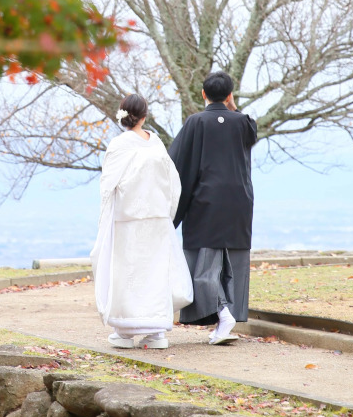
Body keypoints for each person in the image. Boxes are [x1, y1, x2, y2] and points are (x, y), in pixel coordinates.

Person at [91, 92, 193, 350]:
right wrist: (167, 213)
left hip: (128, 219)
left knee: (127, 272)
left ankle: (125, 331)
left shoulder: (119, 145)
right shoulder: (156, 143)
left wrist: (105, 218)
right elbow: (173, 182)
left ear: (122, 115)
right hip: (156, 217)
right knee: (155, 272)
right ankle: (156, 332)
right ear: (145, 116)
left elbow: (108, 185)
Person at [168, 71, 257, 345]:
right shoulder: (243, 122)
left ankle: (222, 313)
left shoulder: (196, 122)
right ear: (230, 95)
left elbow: (174, 162)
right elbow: (250, 132)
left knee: (203, 264)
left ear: (203, 94)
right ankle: (225, 317)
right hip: (239, 201)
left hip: (205, 201)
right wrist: (232, 108)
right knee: (234, 261)